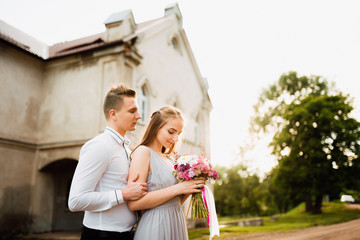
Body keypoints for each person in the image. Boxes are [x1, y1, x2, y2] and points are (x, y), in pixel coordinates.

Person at [68, 84, 148, 240]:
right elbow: (76, 201)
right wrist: (124, 194)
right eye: (132, 111)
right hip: (102, 235)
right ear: (114, 114)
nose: (139, 116)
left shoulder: (127, 148)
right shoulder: (100, 146)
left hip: (127, 234)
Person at [128, 106, 206, 240]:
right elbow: (134, 204)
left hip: (176, 222)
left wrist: (191, 186)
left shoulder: (170, 159)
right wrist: (179, 188)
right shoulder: (143, 152)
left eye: (179, 134)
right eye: (171, 132)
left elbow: (174, 201)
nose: (175, 138)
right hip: (155, 226)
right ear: (156, 127)